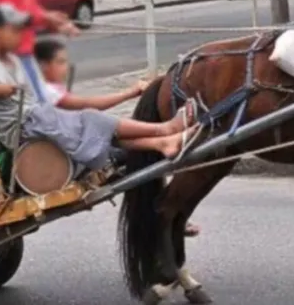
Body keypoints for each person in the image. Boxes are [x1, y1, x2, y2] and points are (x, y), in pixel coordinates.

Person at [0, 5, 198, 170]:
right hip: (23, 127)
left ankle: (162, 143)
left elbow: (63, 100)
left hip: (39, 118)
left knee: (95, 129)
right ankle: (164, 130)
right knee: (91, 119)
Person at [34, 37, 202, 238]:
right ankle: (166, 132)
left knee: (127, 145)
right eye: (60, 62)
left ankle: (167, 203)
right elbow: (88, 104)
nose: (66, 67)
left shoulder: (45, 88)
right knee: (97, 122)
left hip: (70, 144)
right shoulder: (43, 91)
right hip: (61, 154)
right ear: (44, 66)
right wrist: (131, 92)